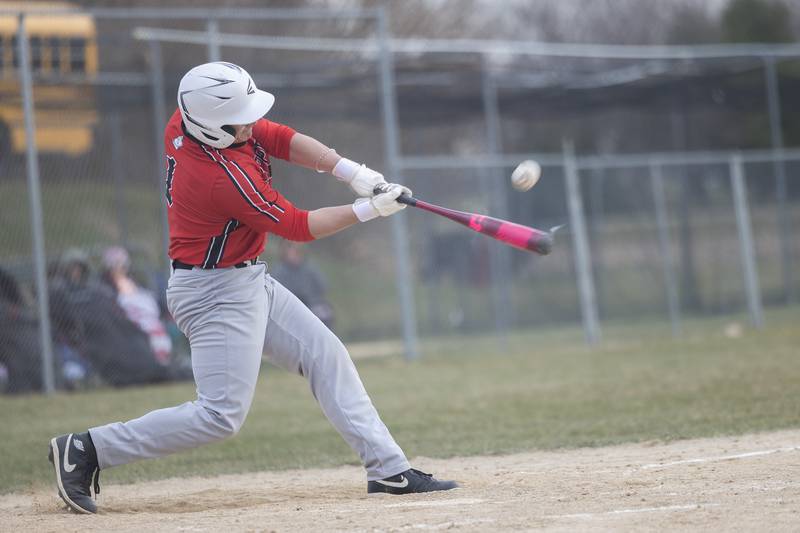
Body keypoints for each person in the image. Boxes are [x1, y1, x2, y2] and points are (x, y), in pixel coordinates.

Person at [48, 61, 457, 514]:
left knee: (326, 355)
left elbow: (277, 136)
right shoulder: (219, 178)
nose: (250, 123)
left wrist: (350, 171)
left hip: (243, 277)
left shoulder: (190, 120)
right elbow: (299, 226)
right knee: (219, 416)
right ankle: (87, 449)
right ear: (214, 127)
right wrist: (368, 210)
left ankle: (388, 470)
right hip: (214, 292)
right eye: (240, 118)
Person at [100, 246, 173, 365]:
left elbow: (155, 304)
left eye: (122, 266)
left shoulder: (135, 284)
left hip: (152, 326)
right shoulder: (107, 289)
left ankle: (163, 364)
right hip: (132, 330)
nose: (119, 270)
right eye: (115, 266)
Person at [270, 242, 334, 329]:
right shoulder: (279, 272)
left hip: (313, 305)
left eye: (295, 252)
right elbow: (276, 293)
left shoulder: (309, 269)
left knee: (324, 313)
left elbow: (322, 286)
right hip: (291, 307)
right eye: (290, 253)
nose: (293, 256)